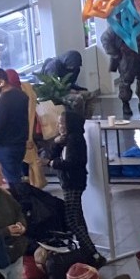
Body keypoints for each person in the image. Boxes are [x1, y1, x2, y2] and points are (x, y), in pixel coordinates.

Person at [51, 109, 102, 266]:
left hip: (73, 183)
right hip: (69, 183)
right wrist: (56, 144)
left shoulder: (75, 140)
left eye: (62, 123)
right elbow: (55, 154)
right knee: (77, 218)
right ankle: (88, 252)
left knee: (72, 220)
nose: (59, 126)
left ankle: (93, 253)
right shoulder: (67, 139)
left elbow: (73, 163)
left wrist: (52, 164)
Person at [0, 67, 31, 185]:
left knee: (12, 180)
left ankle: (18, 202)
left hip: (6, 145)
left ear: (2, 82)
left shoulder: (3, 101)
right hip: (20, 143)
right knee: (16, 175)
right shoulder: (22, 96)